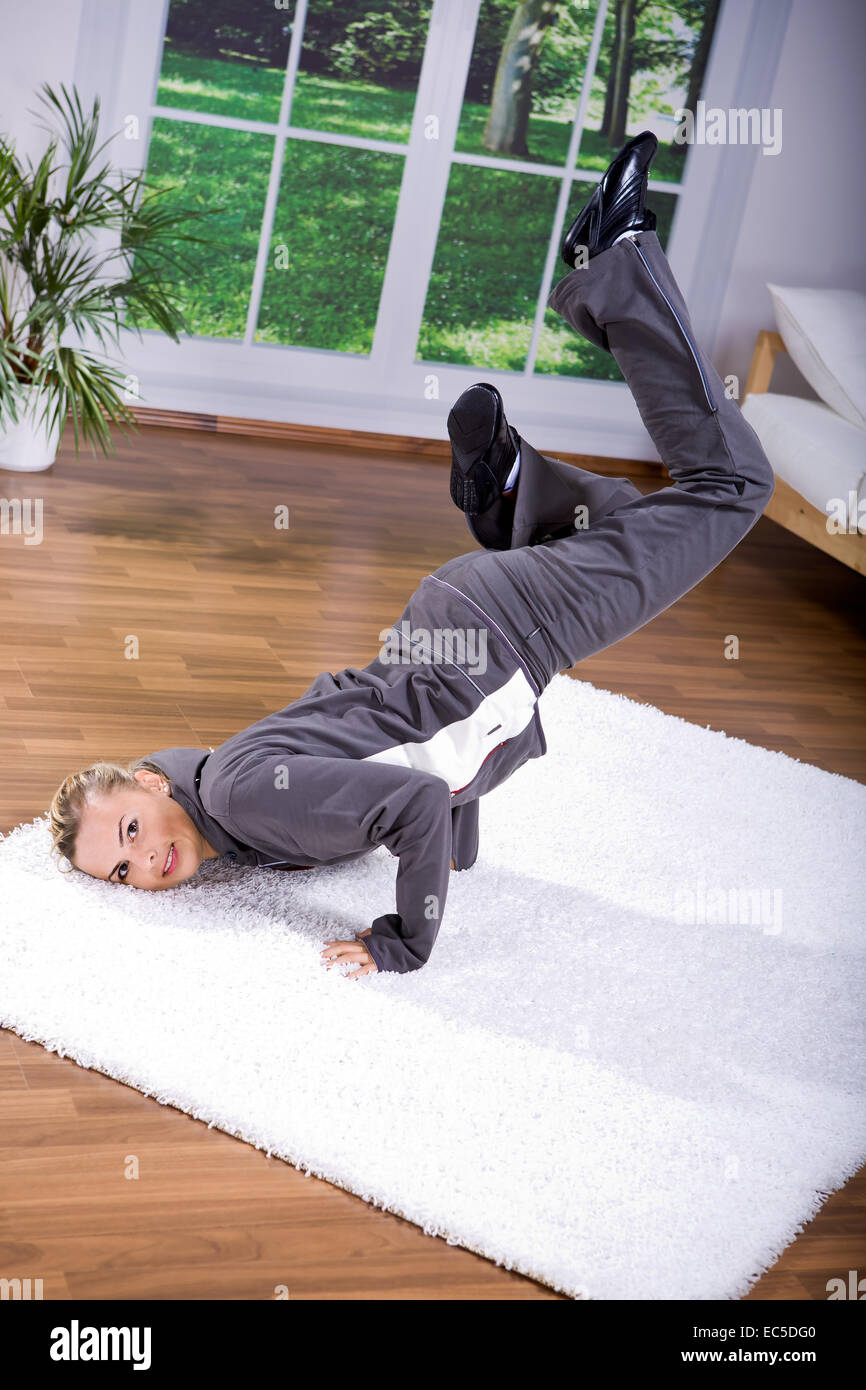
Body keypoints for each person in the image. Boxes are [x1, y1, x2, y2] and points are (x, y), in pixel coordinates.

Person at [47, 132, 775, 978]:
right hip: (458, 618)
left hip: (507, 628)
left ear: (150, 783)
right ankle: (510, 488)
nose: (145, 862)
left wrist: (404, 940)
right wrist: (459, 838)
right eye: (122, 871)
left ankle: (615, 262)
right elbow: (380, 737)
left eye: (130, 831)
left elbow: (415, 797)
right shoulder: (233, 784)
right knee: (628, 528)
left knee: (729, 485)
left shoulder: (246, 799)